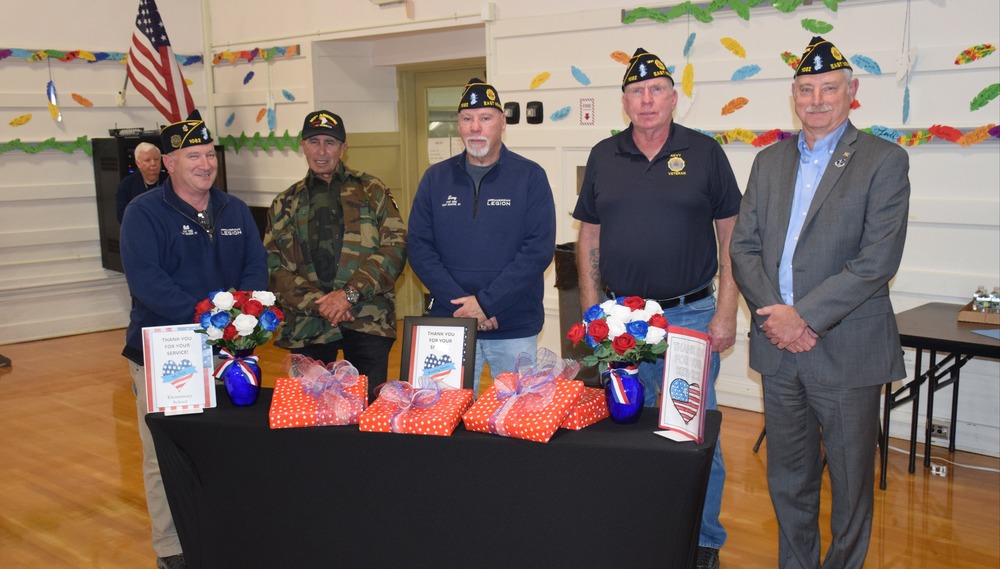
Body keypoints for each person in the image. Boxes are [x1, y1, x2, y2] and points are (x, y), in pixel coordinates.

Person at [730, 36, 910, 569]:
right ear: (793, 96)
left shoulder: (883, 160)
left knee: (851, 487)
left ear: (851, 93)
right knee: (788, 479)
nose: (816, 99)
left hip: (847, 349)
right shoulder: (769, 162)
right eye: (805, 89)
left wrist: (802, 316)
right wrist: (776, 318)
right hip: (779, 348)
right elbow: (744, 247)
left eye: (829, 88)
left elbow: (877, 260)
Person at [572, 48, 741, 569]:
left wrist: (728, 309)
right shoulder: (604, 155)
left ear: (673, 97)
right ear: (624, 102)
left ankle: (703, 541)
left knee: (692, 434)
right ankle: (640, 530)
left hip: (690, 316)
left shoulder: (706, 152)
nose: (646, 101)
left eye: (656, 91)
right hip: (623, 318)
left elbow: (732, 235)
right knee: (627, 430)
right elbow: (589, 237)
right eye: (636, 92)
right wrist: (591, 312)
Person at [120, 110, 268, 569]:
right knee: (166, 454)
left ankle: (225, 537)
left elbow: (254, 270)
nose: (205, 163)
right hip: (169, 354)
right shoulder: (143, 213)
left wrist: (240, 322)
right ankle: (172, 549)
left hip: (230, 354)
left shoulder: (234, 210)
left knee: (227, 447)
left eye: (209, 154)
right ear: (168, 162)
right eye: (193, 156)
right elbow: (148, 282)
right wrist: (212, 320)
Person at [407, 78, 556, 394]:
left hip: (513, 326)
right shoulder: (435, 178)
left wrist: (487, 304)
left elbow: (538, 250)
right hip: (449, 326)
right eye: (467, 119)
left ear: (502, 123)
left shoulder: (530, 177)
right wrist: (467, 308)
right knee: (443, 419)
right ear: (458, 126)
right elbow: (420, 247)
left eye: (485, 118)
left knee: (518, 421)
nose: (476, 127)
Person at [264, 110, 406, 401]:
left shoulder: (371, 190)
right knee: (312, 416)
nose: (321, 150)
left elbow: (395, 247)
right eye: (314, 141)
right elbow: (273, 267)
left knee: (368, 411)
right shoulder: (285, 202)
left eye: (330, 142)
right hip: (307, 324)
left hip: (366, 317)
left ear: (344, 148)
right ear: (302, 145)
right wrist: (322, 305)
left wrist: (348, 295)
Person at [116, 141, 166, 222]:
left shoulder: (170, 182)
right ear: (138, 163)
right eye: (148, 160)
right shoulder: (126, 185)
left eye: (156, 159)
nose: (153, 163)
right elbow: (122, 216)